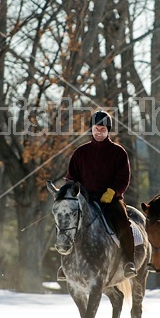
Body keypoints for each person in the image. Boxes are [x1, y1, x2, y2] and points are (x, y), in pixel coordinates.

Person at [57, 110, 137, 280]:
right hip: (84, 199)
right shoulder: (80, 152)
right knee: (66, 222)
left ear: (108, 130)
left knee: (123, 222)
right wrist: (70, 192)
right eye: (96, 128)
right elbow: (71, 177)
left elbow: (124, 177)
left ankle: (128, 261)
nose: (99, 131)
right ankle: (65, 265)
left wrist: (112, 192)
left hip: (110, 199)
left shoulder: (118, 152)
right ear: (91, 129)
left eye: (102, 128)